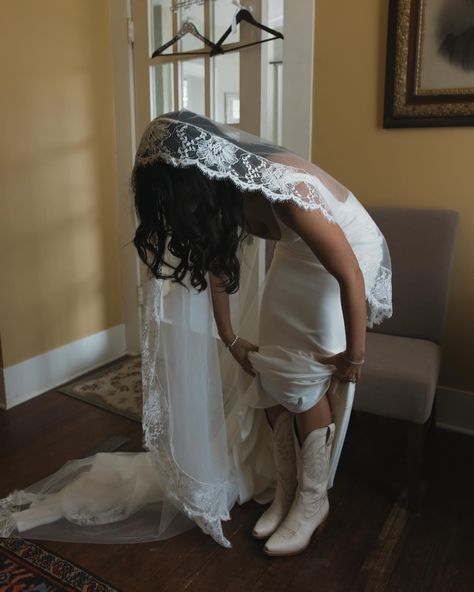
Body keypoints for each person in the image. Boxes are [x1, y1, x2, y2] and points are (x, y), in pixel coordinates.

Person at [0, 110, 392, 556]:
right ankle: (286, 490)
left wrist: (355, 358)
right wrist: (229, 337)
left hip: (347, 261)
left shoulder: (287, 191)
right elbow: (217, 262)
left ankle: (312, 501)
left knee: (301, 378)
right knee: (269, 367)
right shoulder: (223, 196)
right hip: (298, 253)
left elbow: (351, 276)